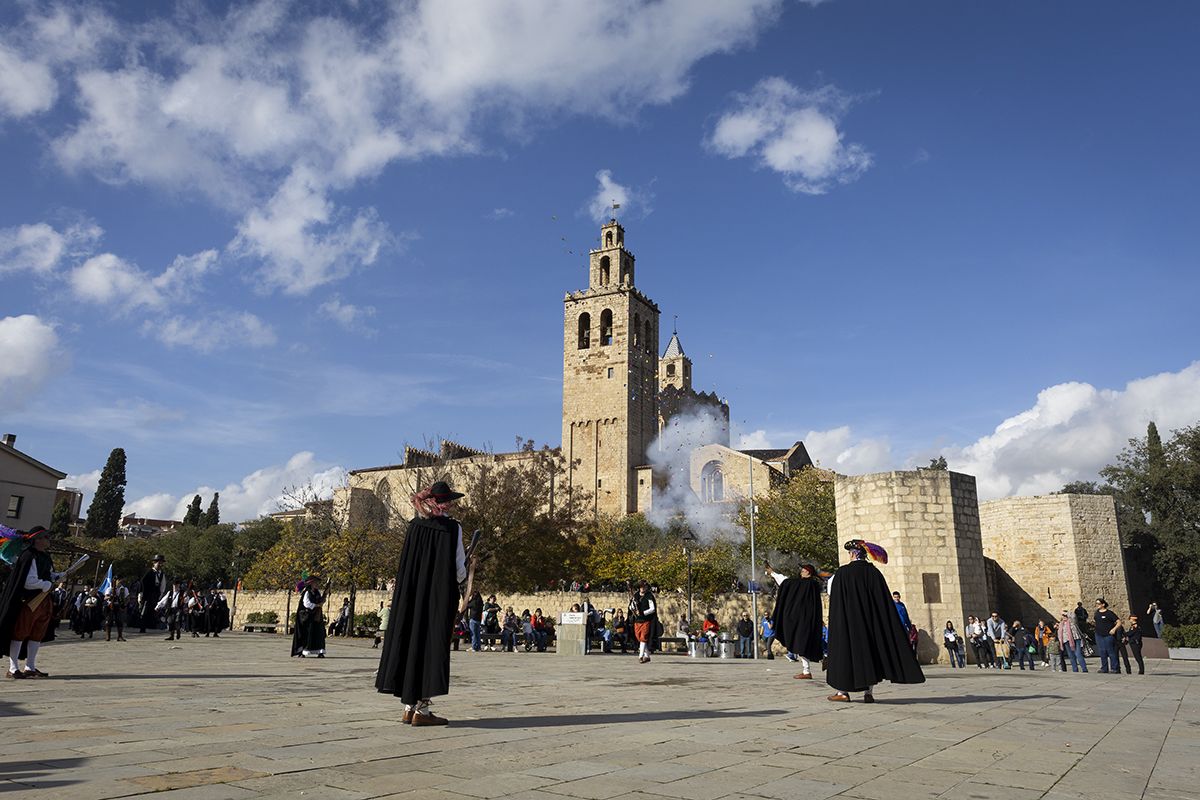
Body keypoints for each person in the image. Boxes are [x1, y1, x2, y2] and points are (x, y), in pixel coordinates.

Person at [376, 481, 468, 727]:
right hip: (438, 597)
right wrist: (463, 575)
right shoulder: (452, 528)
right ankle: (422, 710)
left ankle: (409, 707)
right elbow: (459, 569)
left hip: (412, 597)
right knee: (431, 645)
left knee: (411, 641)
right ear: (444, 502)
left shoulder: (414, 526)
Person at [826, 540, 924, 702]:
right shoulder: (874, 573)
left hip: (849, 624)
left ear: (852, 554)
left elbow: (835, 598)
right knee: (871, 654)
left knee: (845, 654)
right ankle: (868, 693)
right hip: (870, 624)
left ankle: (842, 692)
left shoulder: (842, 573)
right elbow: (883, 602)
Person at [1, 526, 63, 679]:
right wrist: (46, 584)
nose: (49, 540)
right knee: (20, 632)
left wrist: (57, 576)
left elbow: (47, 574)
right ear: (38, 539)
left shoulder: (45, 557)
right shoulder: (28, 556)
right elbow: (29, 581)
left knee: (37, 633)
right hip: (29, 601)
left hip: (43, 600)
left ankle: (30, 666)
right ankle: (13, 668)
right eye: (46, 537)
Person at [766, 562, 824, 680]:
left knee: (802, 643)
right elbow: (785, 582)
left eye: (804, 569)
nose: (801, 571)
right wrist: (773, 573)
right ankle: (808, 669)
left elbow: (785, 582)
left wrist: (773, 573)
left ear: (808, 572)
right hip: (803, 620)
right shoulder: (809, 585)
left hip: (804, 621)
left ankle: (811, 668)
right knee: (802, 644)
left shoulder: (809, 584)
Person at [291, 574, 327, 658]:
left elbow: (319, 601)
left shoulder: (317, 592)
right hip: (307, 616)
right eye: (315, 583)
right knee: (308, 633)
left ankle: (320, 651)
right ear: (311, 583)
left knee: (319, 633)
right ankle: (304, 651)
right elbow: (307, 604)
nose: (317, 584)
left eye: (317, 583)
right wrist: (317, 605)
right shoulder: (307, 592)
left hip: (316, 616)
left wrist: (323, 600)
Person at [628, 581, 657, 664]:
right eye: (641, 587)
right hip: (637, 620)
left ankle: (640, 656)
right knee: (639, 637)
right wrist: (633, 608)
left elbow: (652, 609)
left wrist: (643, 612)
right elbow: (630, 606)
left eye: (644, 587)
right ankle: (647, 655)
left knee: (643, 637)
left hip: (646, 620)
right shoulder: (636, 595)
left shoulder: (649, 596)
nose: (643, 588)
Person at [139, 554, 168, 633]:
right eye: (158, 562)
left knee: (154, 610)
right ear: (154, 563)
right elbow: (142, 582)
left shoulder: (162, 574)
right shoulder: (149, 572)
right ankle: (142, 627)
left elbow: (163, 585)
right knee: (144, 610)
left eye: (161, 563)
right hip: (147, 595)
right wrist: (141, 594)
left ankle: (152, 625)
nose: (160, 564)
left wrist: (160, 595)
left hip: (156, 594)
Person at [1093, 598, 1120, 675]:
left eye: (1098, 603)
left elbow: (1119, 622)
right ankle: (1104, 668)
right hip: (1099, 635)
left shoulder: (1109, 613)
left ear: (1103, 604)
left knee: (1110, 651)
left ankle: (1114, 668)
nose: (1097, 605)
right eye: (1096, 604)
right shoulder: (1097, 613)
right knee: (1102, 652)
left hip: (1108, 635)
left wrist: (1114, 629)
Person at [104, 577, 129, 642]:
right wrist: (111, 596)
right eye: (118, 581)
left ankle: (120, 636)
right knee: (109, 621)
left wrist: (124, 604)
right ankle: (108, 636)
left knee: (120, 621)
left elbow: (127, 598)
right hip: (110, 605)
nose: (120, 582)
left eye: (121, 581)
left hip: (119, 606)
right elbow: (105, 597)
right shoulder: (110, 588)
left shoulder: (124, 589)